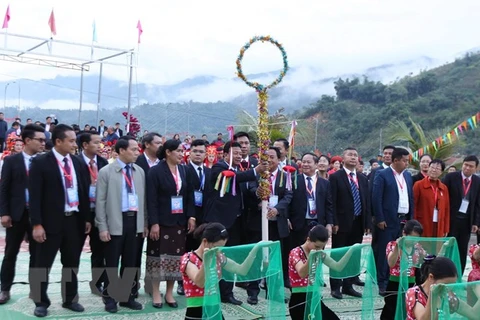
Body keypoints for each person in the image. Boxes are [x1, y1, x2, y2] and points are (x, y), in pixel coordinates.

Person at [28, 124, 91, 317]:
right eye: (71, 141)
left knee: (71, 262)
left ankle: (70, 298)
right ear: (58, 141)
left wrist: (87, 218)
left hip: (74, 221)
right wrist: (37, 224)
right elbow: (35, 196)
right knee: (42, 263)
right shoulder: (40, 162)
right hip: (49, 222)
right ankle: (40, 301)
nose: (75, 144)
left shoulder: (78, 163)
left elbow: (84, 192)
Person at [203, 141, 267, 305]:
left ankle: (227, 293)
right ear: (225, 155)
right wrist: (255, 171)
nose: (239, 156)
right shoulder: (218, 168)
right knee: (215, 258)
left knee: (230, 259)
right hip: (220, 222)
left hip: (238, 222)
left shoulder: (240, 170)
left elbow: (245, 191)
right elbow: (230, 178)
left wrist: (258, 193)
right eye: (235, 153)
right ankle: (211, 290)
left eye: (240, 153)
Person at [95, 136, 146, 313]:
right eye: (133, 149)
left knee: (131, 262)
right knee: (111, 262)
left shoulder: (139, 171)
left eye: (138, 149)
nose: (137, 152)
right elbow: (100, 202)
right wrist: (102, 227)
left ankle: (127, 297)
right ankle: (109, 297)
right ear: (121, 150)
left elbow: (143, 200)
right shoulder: (106, 172)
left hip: (135, 221)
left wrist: (144, 223)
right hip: (115, 221)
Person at [146, 139, 195, 308]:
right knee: (157, 257)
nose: (182, 154)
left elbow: (189, 196)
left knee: (175, 259)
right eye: (179, 151)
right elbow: (151, 200)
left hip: (179, 221)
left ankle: (169, 292)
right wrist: (154, 223)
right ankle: (155, 291)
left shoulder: (184, 170)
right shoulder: (155, 171)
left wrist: (191, 217)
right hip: (161, 222)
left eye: (183, 151)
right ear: (168, 152)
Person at [0, 124, 46, 304]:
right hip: (17, 214)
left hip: (38, 216)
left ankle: (35, 290)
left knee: (38, 254)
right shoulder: (12, 161)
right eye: (39, 140)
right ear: (27, 140)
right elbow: (4, 189)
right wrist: (4, 213)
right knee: (11, 252)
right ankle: (4, 289)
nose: (43, 143)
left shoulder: (44, 161)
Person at [180, 223, 263, 320]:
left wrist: (256, 249)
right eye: (216, 247)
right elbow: (200, 283)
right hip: (196, 312)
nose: (218, 250)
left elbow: (241, 270)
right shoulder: (189, 259)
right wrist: (206, 261)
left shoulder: (218, 257)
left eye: (221, 247)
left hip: (215, 309)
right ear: (205, 241)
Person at [288, 225, 359, 320]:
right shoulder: (295, 252)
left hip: (313, 298)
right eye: (317, 246)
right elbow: (302, 273)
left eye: (322, 247)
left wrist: (352, 250)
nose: (319, 250)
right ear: (308, 240)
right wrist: (311, 259)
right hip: (299, 301)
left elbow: (337, 267)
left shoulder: (318, 252)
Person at [329, 147, 370, 299]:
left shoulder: (363, 178)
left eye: (355, 155)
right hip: (341, 223)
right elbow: (331, 200)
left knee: (354, 256)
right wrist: (333, 221)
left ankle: (348, 285)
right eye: (350, 155)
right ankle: (335, 286)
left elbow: (366, 202)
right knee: (338, 255)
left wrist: (367, 223)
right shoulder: (336, 177)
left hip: (358, 222)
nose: (353, 157)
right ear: (343, 158)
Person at [372, 147, 414, 296]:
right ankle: (382, 283)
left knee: (401, 252)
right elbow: (376, 198)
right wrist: (380, 218)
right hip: (388, 220)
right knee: (386, 252)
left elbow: (410, 198)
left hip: (403, 220)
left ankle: (397, 281)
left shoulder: (407, 176)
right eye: (404, 161)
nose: (406, 164)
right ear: (395, 160)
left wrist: (411, 219)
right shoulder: (382, 175)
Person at [76, 132, 109, 295]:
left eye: (100, 142)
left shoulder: (103, 163)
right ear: (84, 145)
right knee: (73, 252)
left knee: (99, 251)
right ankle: (70, 288)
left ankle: (97, 283)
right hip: (79, 214)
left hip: (99, 213)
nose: (99, 146)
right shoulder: (74, 163)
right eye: (96, 142)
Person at [405, 256, 480, 320]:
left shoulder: (448, 297)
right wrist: (433, 296)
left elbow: (474, 315)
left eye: (452, 285)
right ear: (431, 277)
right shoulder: (414, 294)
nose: (449, 289)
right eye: (446, 284)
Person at [380, 220, 425, 320]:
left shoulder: (417, 247)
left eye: (416, 238)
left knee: (408, 309)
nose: (414, 241)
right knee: (391, 310)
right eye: (412, 237)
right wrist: (397, 247)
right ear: (404, 233)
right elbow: (391, 263)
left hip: (411, 284)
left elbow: (427, 259)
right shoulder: (392, 245)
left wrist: (444, 248)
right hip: (395, 283)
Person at [135, 132, 162, 296]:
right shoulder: (137, 162)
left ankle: (151, 285)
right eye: (158, 143)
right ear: (147, 145)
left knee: (156, 252)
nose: (161, 145)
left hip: (159, 214)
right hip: (139, 213)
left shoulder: (164, 163)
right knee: (135, 252)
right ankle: (132, 286)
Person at [443, 155, 480, 275]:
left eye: (471, 166)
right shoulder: (451, 177)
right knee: (449, 248)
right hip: (451, 220)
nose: (467, 168)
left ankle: (458, 275)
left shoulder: (477, 181)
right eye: (465, 165)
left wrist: (476, 222)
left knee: (462, 250)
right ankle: (445, 274)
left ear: (476, 168)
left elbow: (478, 204)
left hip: (466, 221)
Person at [289, 153, 334, 249]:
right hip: (298, 224)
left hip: (318, 223)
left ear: (316, 164)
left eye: (308, 162)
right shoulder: (294, 180)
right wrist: (287, 218)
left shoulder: (324, 183)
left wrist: (329, 223)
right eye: (303, 162)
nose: (305, 164)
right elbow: (288, 201)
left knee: (316, 252)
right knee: (299, 253)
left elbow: (328, 205)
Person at [413, 159, 450, 237]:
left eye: (437, 168)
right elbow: (414, 206)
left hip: (439, 224)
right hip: (423, 223)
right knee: (423, 246)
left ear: (441, 172)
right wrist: (414, 225)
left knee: (437, 247)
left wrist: (446, 228)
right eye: (432, 167)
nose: (434, 170)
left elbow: (446, 209)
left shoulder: (443, 188)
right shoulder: (419, 185)